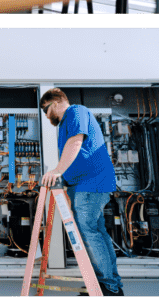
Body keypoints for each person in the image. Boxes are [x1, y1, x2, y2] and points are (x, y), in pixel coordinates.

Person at [41, 89, 123, 296]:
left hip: (90, 183)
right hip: (85, 185)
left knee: (88, 233)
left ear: (57, 102)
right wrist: (65, 182)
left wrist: (58, 171)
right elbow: (76, 154)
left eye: (46, 109)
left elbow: (76, 142)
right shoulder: (64, 124)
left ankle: (107, 286)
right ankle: (108, 283)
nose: (45, 114)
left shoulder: (75, 112)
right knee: (97, 232)